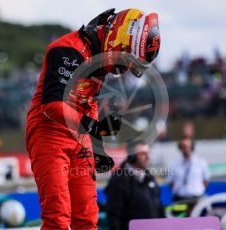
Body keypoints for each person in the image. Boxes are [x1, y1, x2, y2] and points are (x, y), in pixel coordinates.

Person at [25, 8, 160, 230]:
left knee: (87, 219)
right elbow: (51, 105)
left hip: (79, 136)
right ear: (119, 39)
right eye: (126, 59)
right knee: (58, 217)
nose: (124, 67)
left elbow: (90, 101)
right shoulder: (67, 50)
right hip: (49, 134)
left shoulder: (99, 57)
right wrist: (93, 126)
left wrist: (97, 146)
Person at [106, 141, 164, 230]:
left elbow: (158, 207)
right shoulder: (119, 180)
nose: (148, 157)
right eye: (143, 154)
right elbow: (114, 215)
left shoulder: (149, 177)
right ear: (132, 156)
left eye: (148, 153)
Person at [168, 137, 210, 202]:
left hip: (197, 198)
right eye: (183, 147)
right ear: (180, 148)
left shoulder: (201, 163)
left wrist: (198, 190)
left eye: (188, 147)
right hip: (180, 199)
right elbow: (171, 182)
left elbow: (206, 181)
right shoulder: (174, 164)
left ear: (192, 147)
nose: (186, 149)